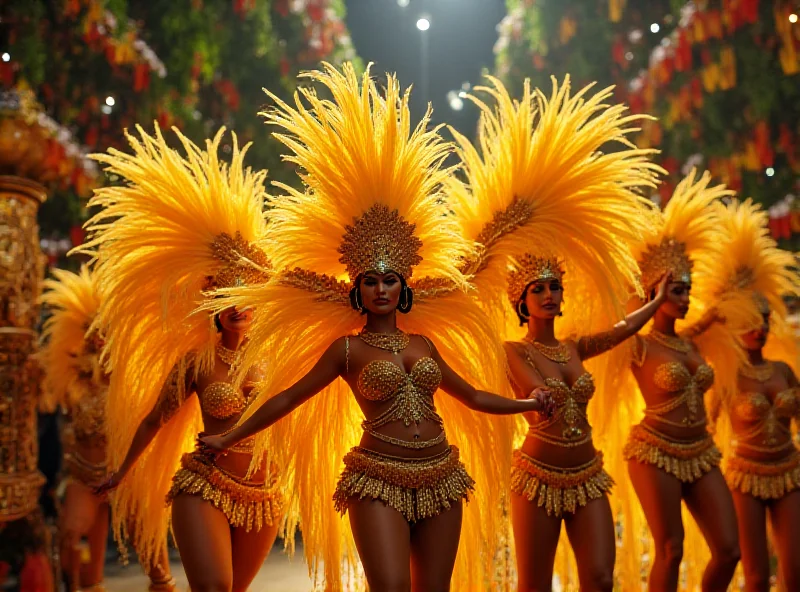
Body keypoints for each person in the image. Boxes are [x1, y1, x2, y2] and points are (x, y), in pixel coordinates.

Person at [199, 62, 553, 592]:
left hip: (441, 473)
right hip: (376, 477)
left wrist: (527, 406)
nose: (381, 288)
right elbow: (285, 398)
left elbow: (475, 396)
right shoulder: (346, 351)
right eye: (370, 280)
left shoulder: (423, 342)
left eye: (390, 279)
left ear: (404, 285)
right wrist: (231, 433)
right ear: (357, 289)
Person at [447, 75, 667, 591]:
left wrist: (654, 303)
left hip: (589, 473)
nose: (548, 294)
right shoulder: (510, 351)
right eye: (538, 288)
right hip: (537, 479)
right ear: (521, 301)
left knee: (599, 577)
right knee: (535, 585)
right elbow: (502, 379)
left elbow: (617, 331)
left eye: (554, 287)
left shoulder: (573, 347)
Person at [78, 127, 281, 592]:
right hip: (205, 485)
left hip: (265, 494)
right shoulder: (196, 362)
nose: (237, 306)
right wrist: (122, 473)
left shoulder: (278, 358)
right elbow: (154, 421)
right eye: (226, 296)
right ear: (212, 303)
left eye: (245, 295)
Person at [618, 171, 742, 592]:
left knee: (729, 551)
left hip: (702, 451)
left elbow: (717, 318)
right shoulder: (636, 345)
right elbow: (608, 331)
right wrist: (650, 302)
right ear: (654, 292)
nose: (685, 298)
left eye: (687, 290)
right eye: (675, 291)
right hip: (654, 453)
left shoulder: (691, 345)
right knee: (672, 549)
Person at [38, 266, 176, 592]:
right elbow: (47, 402)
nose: (99, 338)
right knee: (71, 537)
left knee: (151, 552)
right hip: (84, 476)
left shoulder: (133, 376)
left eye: (105, 330)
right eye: (93, 331)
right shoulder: (73, 382)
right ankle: (84, 585)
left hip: (126, 475)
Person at [700, 199, 800, 591]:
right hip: (745, 478)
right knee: (756, 577)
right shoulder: (727, 378)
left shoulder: (784, 371)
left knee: (795, 575)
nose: (757, 328)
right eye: (748, 321)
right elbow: (703, 430)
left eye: (763, 321)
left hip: (790, 471)